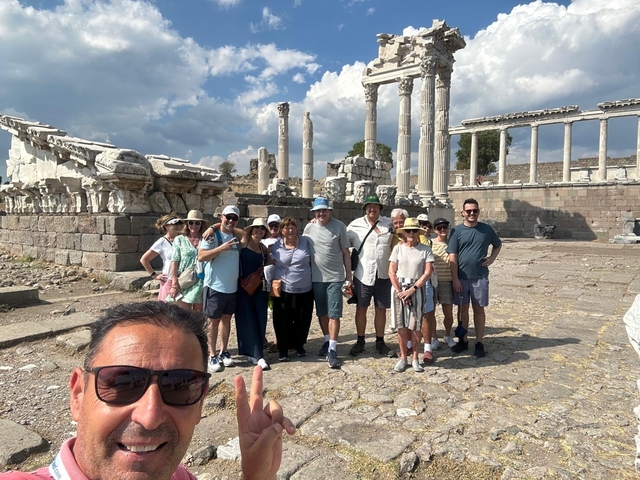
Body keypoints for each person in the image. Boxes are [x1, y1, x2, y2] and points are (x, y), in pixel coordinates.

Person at [0, 301, 295, 480]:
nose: (150, 415)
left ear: (201, 404)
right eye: (122, 382)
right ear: (78, 395)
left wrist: (257, 476)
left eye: (180, 385)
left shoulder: (178, 476)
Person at [448, 198, 502, 358]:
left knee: (479, 309)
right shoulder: (456, 231)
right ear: (463, 212)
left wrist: (491, 259)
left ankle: (479, 342)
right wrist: (455, 278)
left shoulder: (486, 229)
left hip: (479, 276)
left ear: (479, 212)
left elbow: (498, 245)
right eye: (469, 211)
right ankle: (463, 340)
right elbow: (452, 255)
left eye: (475, 210)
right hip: (462, 277)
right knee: (462, 309)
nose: (472, 213)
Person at [302, 197, 352, 369]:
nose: (321, 213)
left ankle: (332, 348)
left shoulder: (339, 227)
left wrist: (349, 276)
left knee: (334, 314)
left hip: (335, 278)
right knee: (322, 312)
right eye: (318, 211)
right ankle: (326, 339)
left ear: (330, 211)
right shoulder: (309, 227)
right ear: (314, 212)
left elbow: (346, 252)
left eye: (324, 210)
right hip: (316, 278)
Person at [198, 205, 245, 373]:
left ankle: (224, 351)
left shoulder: (236, 236)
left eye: (234, 218)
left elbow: (245, 234)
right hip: (214, 286)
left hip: (231, 287)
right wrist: (221, 247)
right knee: (213, 322)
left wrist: (215, 225)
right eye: (228, 217)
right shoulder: (212, 237)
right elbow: (201, 256)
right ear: (221, 216)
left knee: (226, 319)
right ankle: (212, 355)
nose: (231, 221)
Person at [347, 194, 394, 357]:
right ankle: (360, 340)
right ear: (365, 208)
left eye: (375, 206)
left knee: (381, 310)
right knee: (361, 309)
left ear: (380, 208)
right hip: (363, 274)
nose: (372, 209)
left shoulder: (389, 223)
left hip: (383, 274)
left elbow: (404, 229)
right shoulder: (355, 225)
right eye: (369, 206)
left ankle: (380, 342)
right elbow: (341, 241)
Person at [388, 218, 434, 372]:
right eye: (408, 231)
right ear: (404, 233)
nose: (411, 234)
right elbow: (391, 271)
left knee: (416, 325)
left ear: (418, 233)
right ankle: (403, 357)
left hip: (417, 287)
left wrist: (413, 289)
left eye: (415, 231)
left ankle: (415, 357)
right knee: (401, 325)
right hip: (399, 288)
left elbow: (427, 272)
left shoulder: (425, 249)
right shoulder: (397, 249)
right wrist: (399, 291)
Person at [270, 217, 314, 362]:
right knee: (282, 320)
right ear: (281, 231)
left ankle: (299, 344)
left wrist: (314, 222)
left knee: (303, 319)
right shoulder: (275, 245)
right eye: (286, 228)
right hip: (284, 289)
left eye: (292, 227)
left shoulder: (306, 241)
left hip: (305, 289)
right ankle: (283, 349)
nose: (290, 230)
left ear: (297, 228)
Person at [236, 218, 272, 371]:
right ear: (251, 229)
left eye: (262, 228)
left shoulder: (263, 248)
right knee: (247, 319)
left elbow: (271, 263)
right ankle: (257, 355)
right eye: (256, 227)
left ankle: (256, 352)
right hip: (243, 287)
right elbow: (228, 227)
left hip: (258, 287)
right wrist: (213, 227)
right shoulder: (244, 241)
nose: (259, 230)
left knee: (260, 319)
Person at [168, 210, 206, 311]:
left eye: (197, 223)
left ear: (201, 224)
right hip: (185, 279)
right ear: (187, 224)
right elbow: (174, 262)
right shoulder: (179, 239)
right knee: (185, 317)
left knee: (199, 317)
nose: (194, 225)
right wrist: (174, 283)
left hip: (202, 281)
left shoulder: (206, 239)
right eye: (191, 222)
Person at [140, 214, 182, 301]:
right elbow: (144, 260)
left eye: (178, 224)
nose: (177, 226)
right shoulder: (162, 242)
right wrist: (154, 275)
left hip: (183, 278)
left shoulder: (183, 240)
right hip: (169, 280)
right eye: (174, 224)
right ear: (166, 226)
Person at [431, 217, 456, 349]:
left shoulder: (452, 243)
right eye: (439, 228)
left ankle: (447, 334)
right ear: (435, 230)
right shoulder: (430, 243)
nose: (442, 230)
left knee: (448, 312)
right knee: (431, 312)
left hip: (447, 281)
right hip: (433, 281)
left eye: (444, 227)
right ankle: (434, 337)